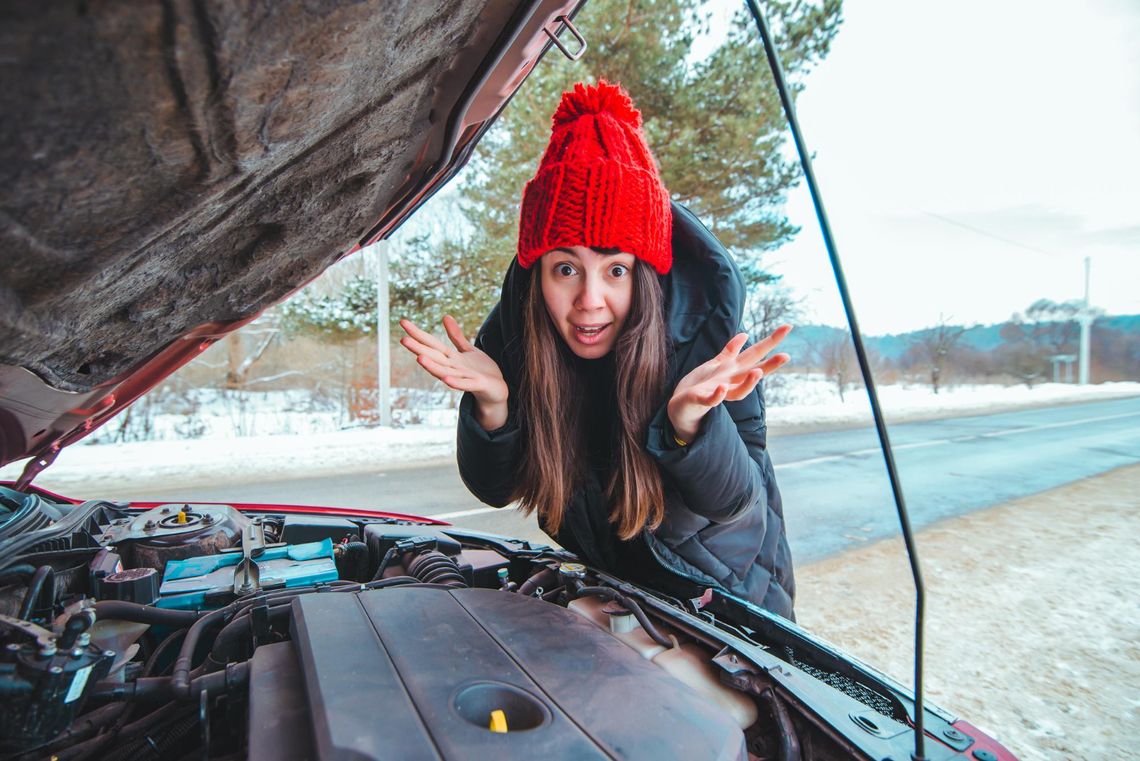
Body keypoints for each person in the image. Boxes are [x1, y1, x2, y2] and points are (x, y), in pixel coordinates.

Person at [399, 81, 795, 619]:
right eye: (566, 269)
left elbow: (735, 502)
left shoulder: (705, 346)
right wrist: (494, 406)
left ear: (645, 277)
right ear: (537, 276)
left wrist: (689, 426)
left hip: (724, 610)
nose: (590, 301)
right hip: (616, 601)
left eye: (615, 270)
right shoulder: (523, 343)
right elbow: (495, 489)